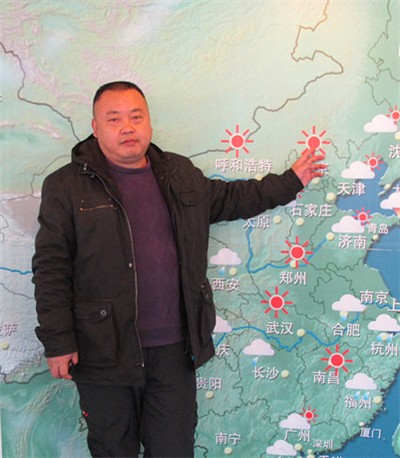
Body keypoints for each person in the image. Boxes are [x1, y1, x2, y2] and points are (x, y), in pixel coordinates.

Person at [32, 81, 326, 458]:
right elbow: (51, 268)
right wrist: (58, 342)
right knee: (112, 449)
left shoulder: (179, 173)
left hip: (174, 349)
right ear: (95, 127)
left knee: (173, 449)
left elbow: (233, 199)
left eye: (136, 117)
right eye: (114, 119)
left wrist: (290, 182)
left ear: (149, 123)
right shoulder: (65, 187)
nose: (127, 127)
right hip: (102, 350)